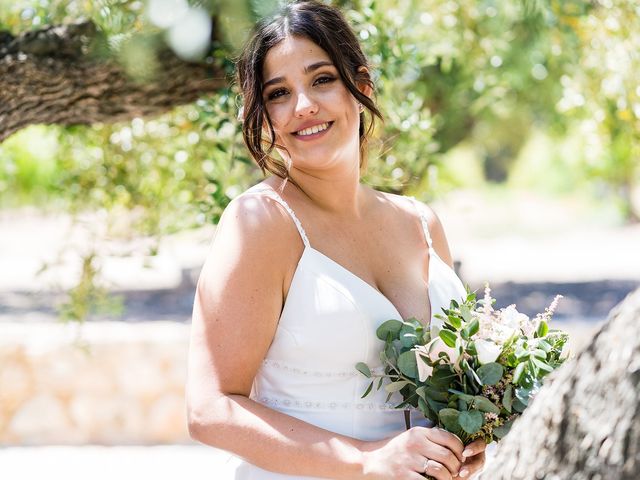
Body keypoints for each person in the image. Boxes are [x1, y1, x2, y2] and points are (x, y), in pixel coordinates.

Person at [186, 1, 487, 479]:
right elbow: (209, 409)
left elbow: (449, 387)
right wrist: (366, 460)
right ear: (264, 118)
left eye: (321, 79)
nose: (304, 105)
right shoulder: (261, 222)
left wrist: (469, 437)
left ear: (360, 86)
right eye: (279, 93)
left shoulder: (421, 224)